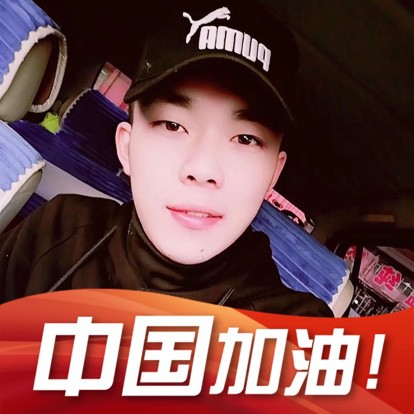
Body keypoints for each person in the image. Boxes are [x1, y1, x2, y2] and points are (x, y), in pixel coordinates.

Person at [0, 0, 333, 316]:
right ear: (127, 147)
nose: (202, 169)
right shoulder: (58, 231)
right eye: (173, 125)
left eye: (245, 139)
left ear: (273, 175)